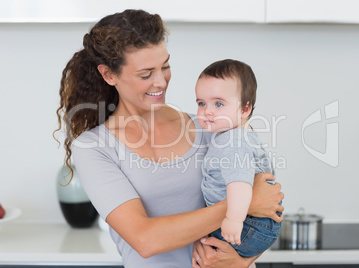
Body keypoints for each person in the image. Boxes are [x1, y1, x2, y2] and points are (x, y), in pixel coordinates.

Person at [54, 9, 284, 268]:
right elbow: (145, 239)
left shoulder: (208, 127)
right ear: (109, 74)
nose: (161, 81)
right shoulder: (95, 147)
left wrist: (242, 262)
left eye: (165, 66)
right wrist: (242, 205)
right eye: (146, 74)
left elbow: (267, 209)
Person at [194, 59, 282, 260]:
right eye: (201, 103)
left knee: (205, 251)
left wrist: (233, 220)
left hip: (247, 224)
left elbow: (240, 184)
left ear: (245, 109)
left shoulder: (233, 142)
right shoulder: (233, 134)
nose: (207, 110)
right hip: (253, 222)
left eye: (218, 104)